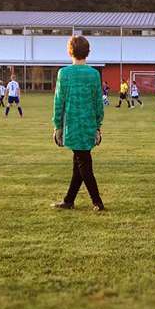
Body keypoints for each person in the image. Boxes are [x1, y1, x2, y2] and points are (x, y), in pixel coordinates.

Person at [52, 35, 105, 211]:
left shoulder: (64, 73)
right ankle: (69, 201)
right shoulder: (94, 74)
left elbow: (59, 102)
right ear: (87, 52)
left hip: (72, 125)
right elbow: (98, 102)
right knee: (80, 162)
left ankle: (97, 202)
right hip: (89, 124)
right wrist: (98, 126)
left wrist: (57, 126)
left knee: (83, 164)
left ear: (70, 51)